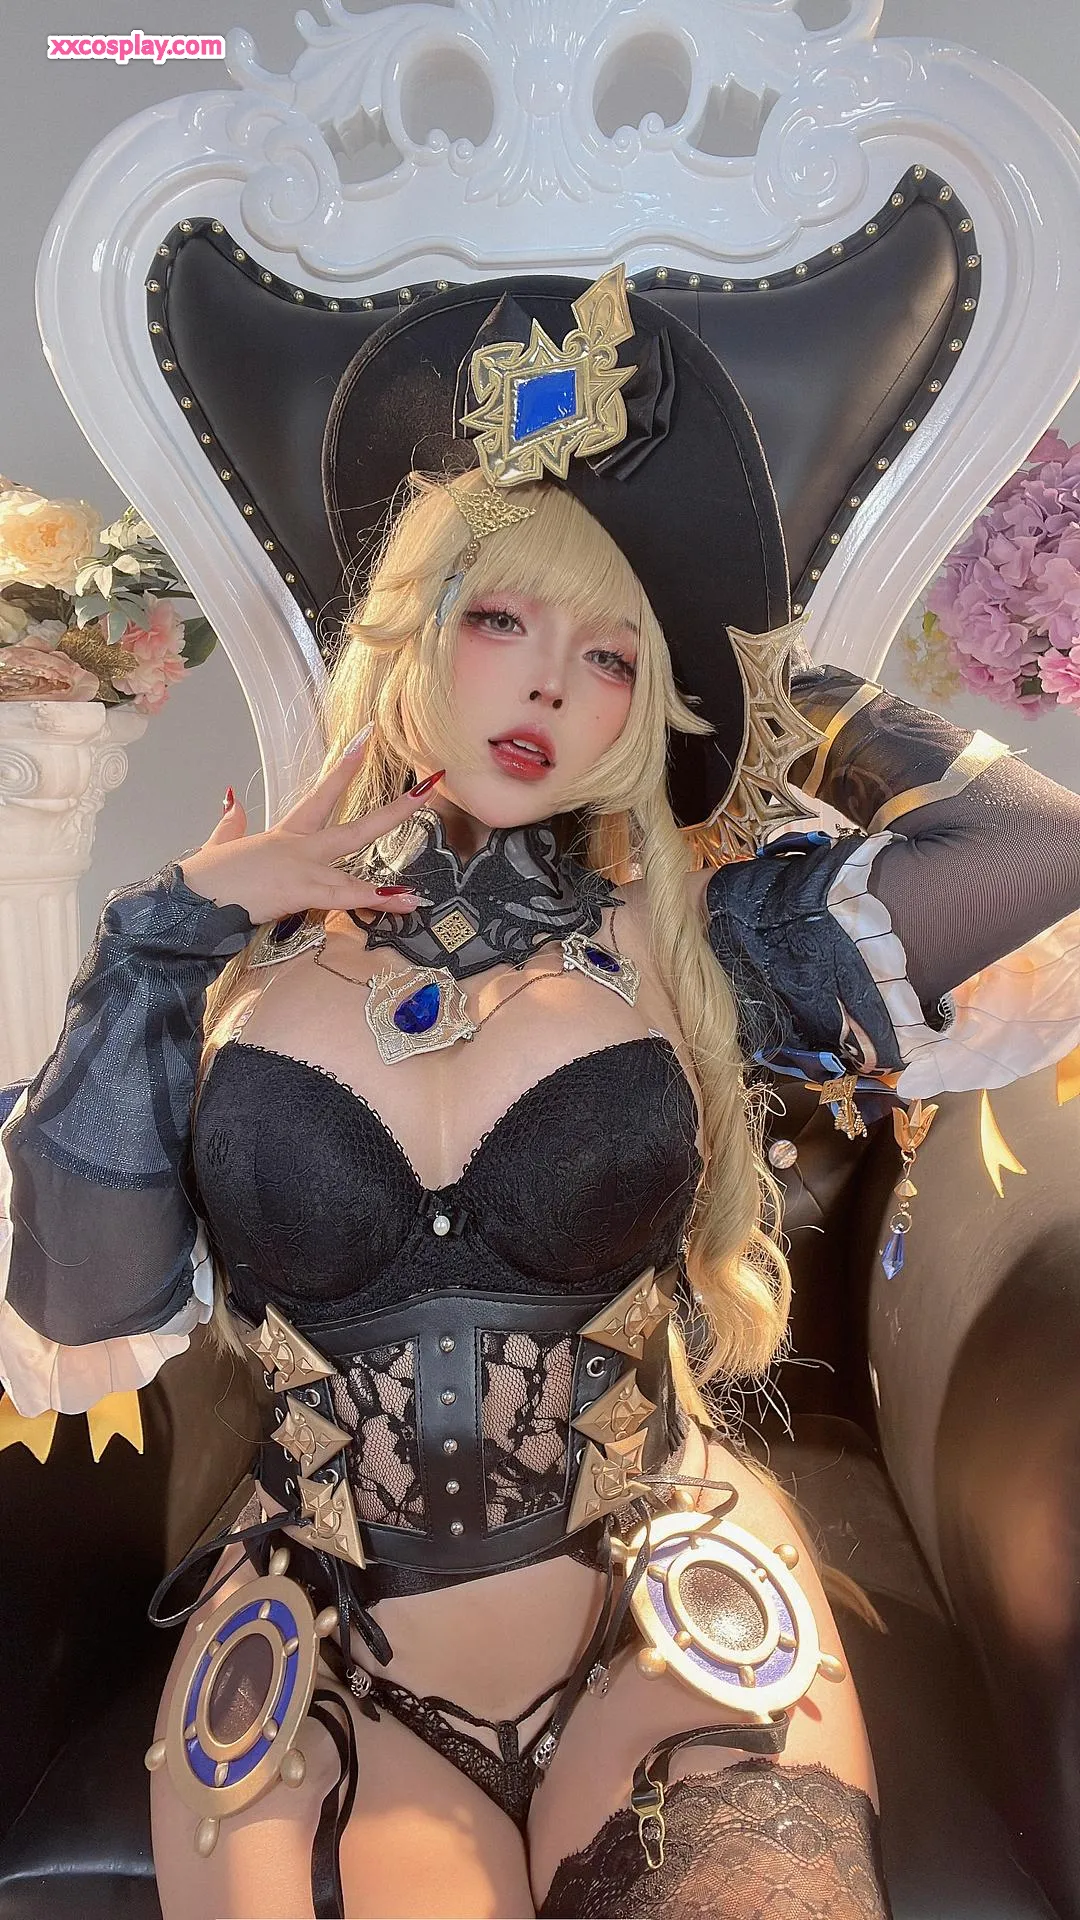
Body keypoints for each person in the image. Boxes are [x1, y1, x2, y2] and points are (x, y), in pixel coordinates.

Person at [2, 267, 1079, 1920]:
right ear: (409, 629)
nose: (551, 687)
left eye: (613, 656)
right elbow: (78, 1304)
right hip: (329, 1655)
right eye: (500, 619)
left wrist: (779, 681)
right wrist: (182, 926)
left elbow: (1033, 850)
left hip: (668, 1603)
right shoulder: (222, 970)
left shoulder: (706, 942)